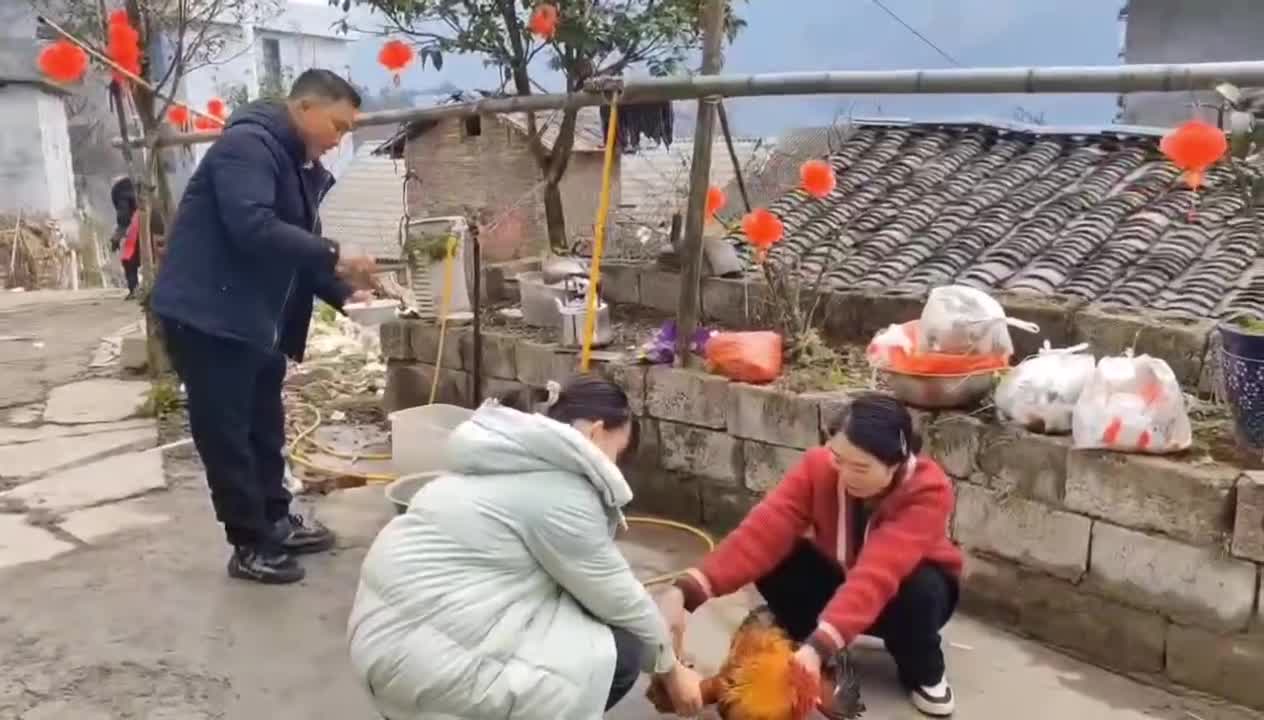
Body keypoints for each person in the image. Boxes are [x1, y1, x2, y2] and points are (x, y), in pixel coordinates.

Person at [347, 375, 704, 720]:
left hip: (380, 645)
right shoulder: (561, 490)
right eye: (618, 453)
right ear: (596, 433)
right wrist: (672, 670)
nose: (616, 467)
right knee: (623, 650)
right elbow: (619, 599)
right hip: (422, 671)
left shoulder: (499, 455)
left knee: (580, 610)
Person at [150, 69, 376, 585]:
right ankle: (249, 544)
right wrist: (336, 253)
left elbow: (294, 252)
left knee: (264, 428)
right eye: (338, 126)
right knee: (228, 436)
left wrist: (346, 295)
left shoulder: (295, 163)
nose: (339, 140)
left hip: (253, 321)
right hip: (208, 318)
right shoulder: (247, 148)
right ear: (305, 108)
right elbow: (253, 228)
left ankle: (276, 519)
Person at [659, 392, 962, 717]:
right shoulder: (819, 467)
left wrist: (820, 646)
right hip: (844, 578)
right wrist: (685, 591)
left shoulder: (928, 490)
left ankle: (923, 669)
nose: (845, 474)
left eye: (860, 467)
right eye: (838, 458)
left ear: (895, 463)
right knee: (775, 556)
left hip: (903, 601)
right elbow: (762, 530)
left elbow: (878, 573)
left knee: (920, 589)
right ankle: (818, 646)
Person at [108, 176, 140, 298]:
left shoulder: (122, 192)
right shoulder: (135, 189)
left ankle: (134, 289)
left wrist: (116, 238)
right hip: (150, 224)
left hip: (136, 226)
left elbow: (124, 218)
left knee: (129, 260)